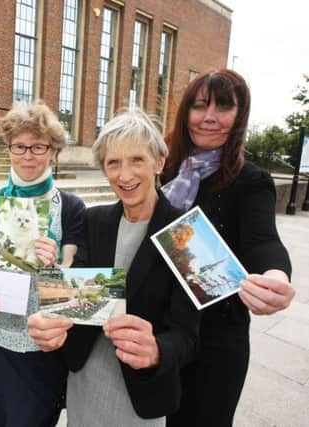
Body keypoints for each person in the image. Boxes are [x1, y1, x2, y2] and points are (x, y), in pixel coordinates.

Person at [28, 109, 199, 426]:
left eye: (137, 160)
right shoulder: (93, 221)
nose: (125, 175)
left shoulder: (186, 234)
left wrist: (158, 349)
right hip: (85, 384)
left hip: (140, 396)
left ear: (159, 162)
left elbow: (188, 334)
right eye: (113, 163)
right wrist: (48, 315)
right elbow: (71, 298)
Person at [161, 69, 295, 427]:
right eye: (200, 105)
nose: (209, 117)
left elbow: (263, 240)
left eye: (223, 106)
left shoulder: (250, 180)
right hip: (159, 331)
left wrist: (275, 277)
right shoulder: (163, 170)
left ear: (239, 116)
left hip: (215, 341)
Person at [0, 99, 85, 426]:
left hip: (41, 349)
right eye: (19, 146)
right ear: (9, 149)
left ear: (54, 152)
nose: (27, 155)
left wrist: (53, 265)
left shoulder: (70, 208)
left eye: (38, 146)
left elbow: (74, 288)